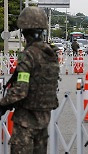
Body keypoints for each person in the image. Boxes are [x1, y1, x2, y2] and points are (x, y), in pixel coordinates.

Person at [0, 6, 60, 154]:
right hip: (44, 118)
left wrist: (3, 104)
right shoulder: (50, 54)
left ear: (25, 31)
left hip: (26, 122)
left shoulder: (29, 55)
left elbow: (20, 90)